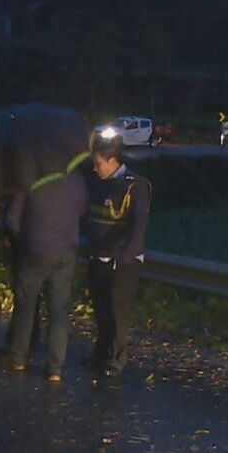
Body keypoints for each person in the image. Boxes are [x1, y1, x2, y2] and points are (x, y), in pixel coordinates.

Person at [0, 162, 89, 382]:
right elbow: (82, 212)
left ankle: (18, 357)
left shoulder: (30, 180)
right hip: (66, 251)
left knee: (26, 305)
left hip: (35, 250)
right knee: (59, 310)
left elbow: (11, 219)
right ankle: (55, 368)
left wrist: (22, 240)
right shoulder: (76, 181)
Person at [84, 134, 152, 378]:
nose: (95, 168)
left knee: (117, 311)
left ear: (113, 160)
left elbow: (137, 225)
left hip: (121, 261)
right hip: (97, 255)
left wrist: (125, 256)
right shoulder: (98, 182)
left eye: (99, 163)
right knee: (100, 309)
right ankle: (101, 353)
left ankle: (117, 357)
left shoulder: (135, 185)